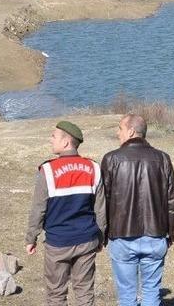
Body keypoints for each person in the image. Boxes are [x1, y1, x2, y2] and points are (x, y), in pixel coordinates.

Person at [25, 121, 106, 306]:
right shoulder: (93, 168)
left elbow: (39, 208)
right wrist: (100, 237)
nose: (50, 139)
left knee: (56, 295)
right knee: (85, 293)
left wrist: (31, 238)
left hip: (58, 242)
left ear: (66, 142)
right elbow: (100, 208)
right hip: (86, 240)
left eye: (53, 136)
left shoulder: (47, 170)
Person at [101, 114, 174, 306]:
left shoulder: (111, 159)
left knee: (127, 293)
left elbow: (104, 200)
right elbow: (172, 201)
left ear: (131, 131)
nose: (117, 132)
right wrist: (171, 233)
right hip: (155, 234)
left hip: (121, 235)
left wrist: (103, 233)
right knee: (152, 291)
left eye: (120, 128)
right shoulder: (162, 158)